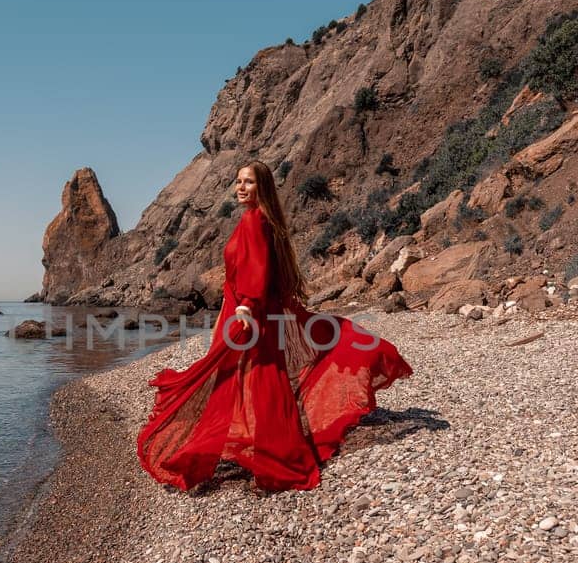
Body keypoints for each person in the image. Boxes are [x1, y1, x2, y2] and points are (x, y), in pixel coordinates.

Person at [137, 161, 413, 492]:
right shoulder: (252, 220)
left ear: (262, 187)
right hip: (244, 314)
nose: (240, 187)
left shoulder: (257, 222)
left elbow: (259, 271)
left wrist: (246, 307)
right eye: (238, 181)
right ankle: (251, 452)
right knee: (246, 382)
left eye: (248, 182)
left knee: (253, 383)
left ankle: (274, 461)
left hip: (251, 317)